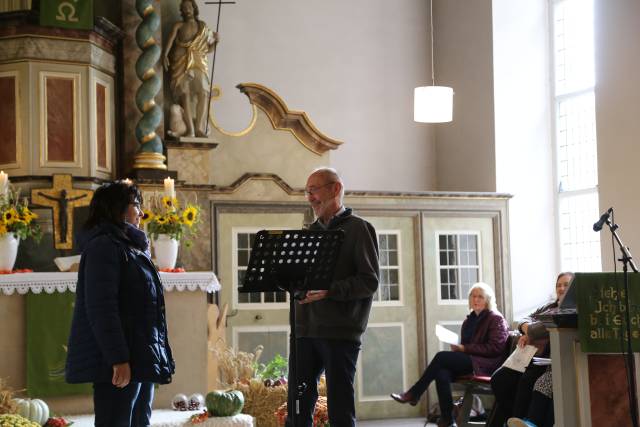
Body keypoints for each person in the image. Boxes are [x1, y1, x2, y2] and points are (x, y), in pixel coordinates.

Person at [65, 180, 175, 427]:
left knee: (139, 422)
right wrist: (119, 359)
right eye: (136, 205)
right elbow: (101, 309)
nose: (141, 212)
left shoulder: (132, 247)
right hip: (120, 358)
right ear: (117, 209)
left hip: (139, 353)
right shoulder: (103, 247)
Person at [285, 167, 380, 427]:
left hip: (340, 332)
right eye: (307, 192)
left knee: (339, 410)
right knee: (297, 406)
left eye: (313, 190)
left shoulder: (359, 229)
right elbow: (301, 279)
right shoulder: (308, 233)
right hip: (304, 330)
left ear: (335, 189)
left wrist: (331, 290)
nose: (309, 197)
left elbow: (369, 281)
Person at [391, 283, 509, 427]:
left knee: (441, 357)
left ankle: (414, 393)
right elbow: (468, 347)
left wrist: (464, 348)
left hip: (487, 365)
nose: (476, 299)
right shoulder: (468, 320)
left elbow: (496, 348)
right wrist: (459, 349)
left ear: (487, 300)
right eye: (473, 296)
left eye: (480, 297)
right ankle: (447, 419)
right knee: (441, 373)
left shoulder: (496, 318)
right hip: (472, 361)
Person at [490, 272, 574, 424]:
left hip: (547, 360)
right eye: (558, 285)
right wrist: (527, 329)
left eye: (566, 285)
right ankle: (512, 418)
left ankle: (518, 419)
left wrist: (530, 332)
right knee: (499, 378)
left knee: (527, 380)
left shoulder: (570, 310)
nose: (561, 288)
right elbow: (524, 320)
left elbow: (539, 329)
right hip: (529, 356)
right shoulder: (550, 306)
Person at [163, 0, 218, 138]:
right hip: (180, 60)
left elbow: (207, 49)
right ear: (181, 11)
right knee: (184, 94)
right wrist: (164, 54)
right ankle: (190, 131)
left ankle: (199, 128)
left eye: (189, 7)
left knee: (204, 93)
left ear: (194, 9)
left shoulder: (203, 26)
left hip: (198, 61)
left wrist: (216, 42)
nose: (187, 9)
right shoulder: (179, 25)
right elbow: (170, 40)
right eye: (184, 7)